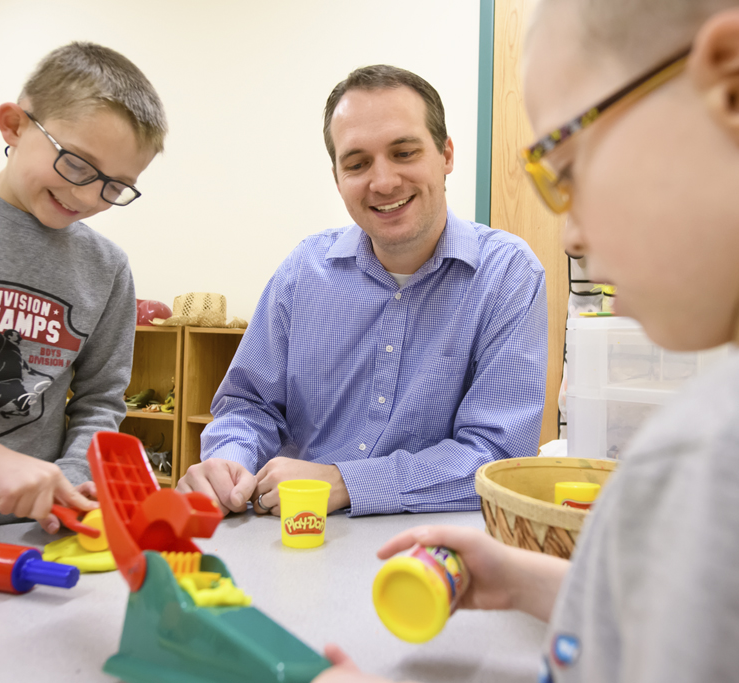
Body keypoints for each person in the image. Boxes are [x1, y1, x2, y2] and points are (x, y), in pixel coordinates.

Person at [313, 0, 739, 681]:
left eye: (570, 164)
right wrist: (525, 579)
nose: (570, 232)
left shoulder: (704, 456)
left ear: (729, 84)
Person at [176, 65, 548, 518]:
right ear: (337, 177)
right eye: (357, 164)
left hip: (435, 551)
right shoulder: (302, 272)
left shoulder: (508, 274)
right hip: (292, 537)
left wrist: (346, 481)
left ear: (446, 155)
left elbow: (495, 457)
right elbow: (248, 406)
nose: (384, 182)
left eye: (404, 152)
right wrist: (229, 461)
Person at [0, 42, 167, 531]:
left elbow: (101, 400)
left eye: (115, 186)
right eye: (76, 163)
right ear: (15, 125)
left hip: (24, 533)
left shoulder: (108, 268)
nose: (89, 196)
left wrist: (74, 478)